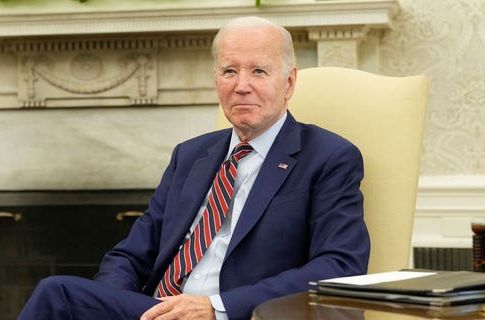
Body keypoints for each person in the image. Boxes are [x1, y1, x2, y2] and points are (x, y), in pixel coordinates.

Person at [18, 16, 370, 320]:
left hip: (234, 313)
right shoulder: (190, 156)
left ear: (289, 82)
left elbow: (338, 268)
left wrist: (215, 307)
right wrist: (118, 307)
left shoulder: (328, 157)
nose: (241, 85)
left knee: (55, 292)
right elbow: (130, 255)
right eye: (229, 71)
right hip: (155, 310)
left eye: (258, 71)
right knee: (61, 295)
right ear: (216, 80)